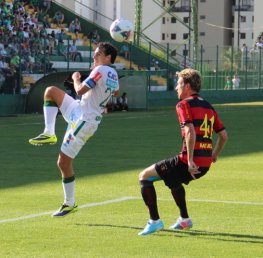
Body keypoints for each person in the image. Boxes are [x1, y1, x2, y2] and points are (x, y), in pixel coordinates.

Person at [28, 42, 119, 217]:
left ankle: (69, 203)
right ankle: (49, 132)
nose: (94, 56)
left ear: (108, 58)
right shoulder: (112, 74)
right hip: (80, 109)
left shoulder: (100, 71)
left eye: (98, 54)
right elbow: (115, 92)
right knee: (51, 91)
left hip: (84, 120)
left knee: (63, 162)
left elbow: (79, 90)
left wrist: (77, 77)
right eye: (94, 54)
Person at [138, 68, 228, 236]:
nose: (176, 88)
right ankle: (184, 219)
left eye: (179, 84)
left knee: (144, 176)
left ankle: (154, 221)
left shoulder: (183, 104)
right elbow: (223, 135)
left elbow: (190, 131)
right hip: (205, 165)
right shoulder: (208, 106)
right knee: (172, 177)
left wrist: (190, 160)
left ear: (187, 86)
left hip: (189, 162)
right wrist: (214, 155)